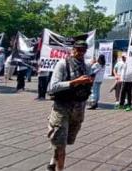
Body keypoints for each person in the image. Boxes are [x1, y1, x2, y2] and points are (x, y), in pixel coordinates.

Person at [46, 40, 93, 171]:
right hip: (62, 108)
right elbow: (53, 87)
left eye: (84, 50)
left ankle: (52, 162)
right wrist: (74, 82)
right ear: (73, 49)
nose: (81, 52)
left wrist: (89, 83)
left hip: (78, 109)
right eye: (78, 49)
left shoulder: (86, 66)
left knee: (66, 141)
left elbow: (86, 87)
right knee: (60, 144)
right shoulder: (63, 64)